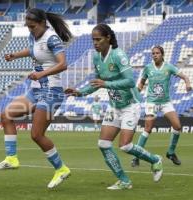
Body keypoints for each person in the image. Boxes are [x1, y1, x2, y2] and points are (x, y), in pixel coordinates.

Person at [65, 24, 163, 190]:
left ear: (108, 38)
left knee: (125, 145)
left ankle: (155, 160)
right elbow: (97, 83)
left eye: (98, 39)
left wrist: (106, 83)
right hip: (114, 106)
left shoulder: (118, 55)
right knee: (103, 144)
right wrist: (80, 92)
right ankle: (124, 181)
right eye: (93, 40)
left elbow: (131, 81)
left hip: (130, 105)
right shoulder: (96, 57)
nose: (95, 43)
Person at [0, 8, 73, 189]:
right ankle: (11, 158)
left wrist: (42, 73)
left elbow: (63, 64)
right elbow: (32, 50)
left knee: (36, 135)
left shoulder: (52, 38)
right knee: (6, 115)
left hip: (52, 91)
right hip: (36, 90)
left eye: (32, 27)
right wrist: (14, 55)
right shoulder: (34, 36)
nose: (30, 30)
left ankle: (61, 169)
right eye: (28, 27)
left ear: (43, 23)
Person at [131, 46, 192, 167]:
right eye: (153, 53)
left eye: (157, 53)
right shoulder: (148, 68)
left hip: (165, 102)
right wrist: (136, 92)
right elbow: (141, 82)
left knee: (177, 126)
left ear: (162, 54)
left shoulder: (169, 67)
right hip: (151, 102)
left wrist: (188, 84)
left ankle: (170, 152)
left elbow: (184, 76)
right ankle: (136, 156)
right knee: (148, 129)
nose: (155, 55)